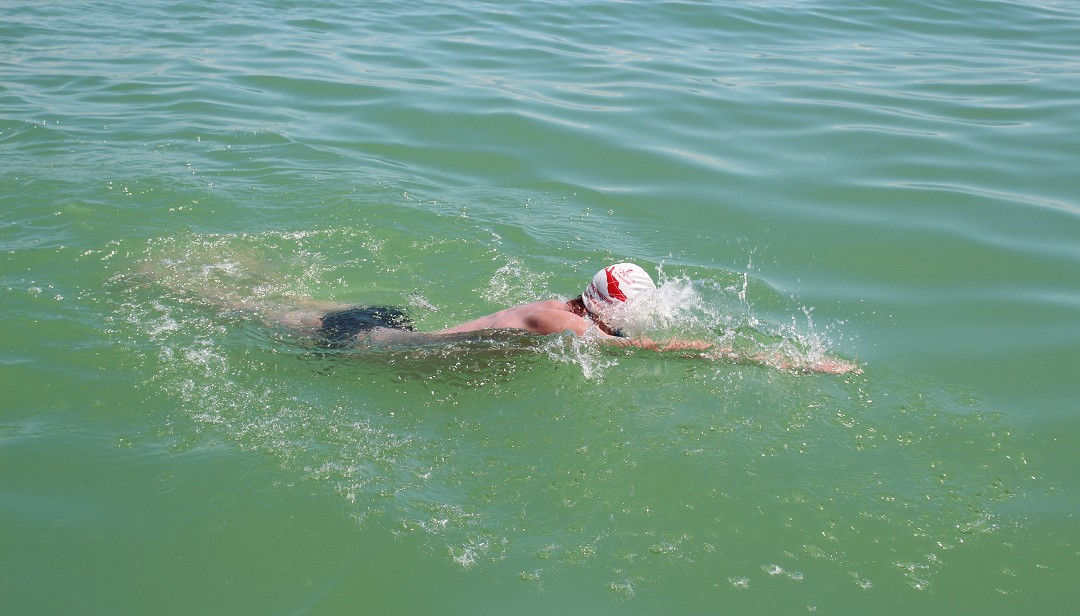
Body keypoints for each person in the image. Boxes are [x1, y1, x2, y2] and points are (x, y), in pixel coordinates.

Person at [216, 262, 859, 373]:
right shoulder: (570, 327)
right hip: (374, 344)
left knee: (278, 301)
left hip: (397, 330)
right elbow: (666, 353)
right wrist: (780, 359)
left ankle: (233, 281)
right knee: (248, 312)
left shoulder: (565, 306)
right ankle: (185, 287)